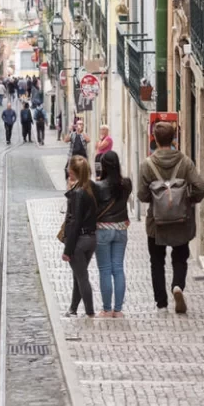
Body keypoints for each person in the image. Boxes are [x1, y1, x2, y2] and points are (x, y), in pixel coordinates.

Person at [138, 120, 204, 313]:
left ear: (155, 140)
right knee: (180, 257)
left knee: (157, 261)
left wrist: (157, 198)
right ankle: (177, 286)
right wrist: (188, 200)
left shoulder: (147, 164)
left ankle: (161, 304)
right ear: (174, 138)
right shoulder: (184, 161)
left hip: (156, 223)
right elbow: (200, 186)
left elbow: (142, 195)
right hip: (181, 220)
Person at [94, 151, 132, 317]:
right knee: (118, 268)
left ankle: (107, 309)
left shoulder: (98, 187)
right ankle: (118, 310)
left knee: (105, 270)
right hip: (121, 230)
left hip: (102, 230)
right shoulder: (127, 184)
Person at [62, 155, 98, 319]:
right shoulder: (90, 188)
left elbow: (75, 222)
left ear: (73, 172)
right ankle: (73, 308)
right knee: (78, 274)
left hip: (79, 241)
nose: (68, 171)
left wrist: (67, 249)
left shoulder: (77, 193)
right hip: (91, 239)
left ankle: (90, 311)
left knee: (82, 277)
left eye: (69, 169)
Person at [64, 119, 90, 186]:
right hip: (73, 156)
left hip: (82, 157)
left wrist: (81, 132)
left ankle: (85, 183)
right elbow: (65, 140)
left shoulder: (84, 134)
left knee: (86, 170)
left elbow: (88, 140)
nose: (79, 126)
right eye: (78, 124)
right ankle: (69, 183)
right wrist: (70, 130)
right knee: (67, 169)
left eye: (81, 124)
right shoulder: (73, 134)